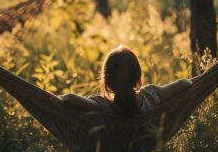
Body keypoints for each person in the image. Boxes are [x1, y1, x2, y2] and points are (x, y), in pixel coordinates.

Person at [60, 45, 192, 116]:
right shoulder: (150, 97)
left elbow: (69, 98)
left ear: (108, 82)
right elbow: (186, 83)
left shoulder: (105, 107)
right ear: (137, 76)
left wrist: (49, 100)